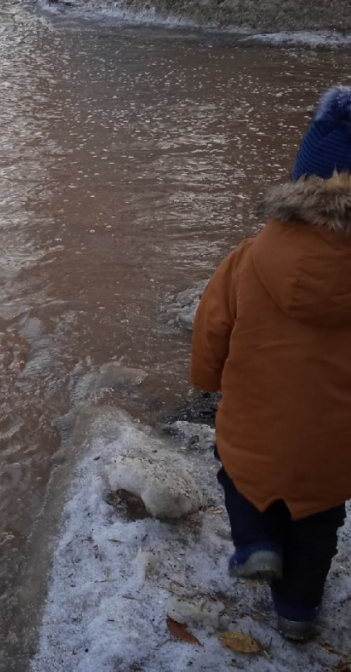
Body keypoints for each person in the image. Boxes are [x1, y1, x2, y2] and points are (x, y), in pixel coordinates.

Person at [191, 85, 351, 642]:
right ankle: (298, 613)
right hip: (335, 445)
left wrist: (207, 380)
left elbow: (212, 328)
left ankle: (255, 542)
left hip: (253, 424)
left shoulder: (248, 258)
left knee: (238, 472)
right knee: (319, 524)